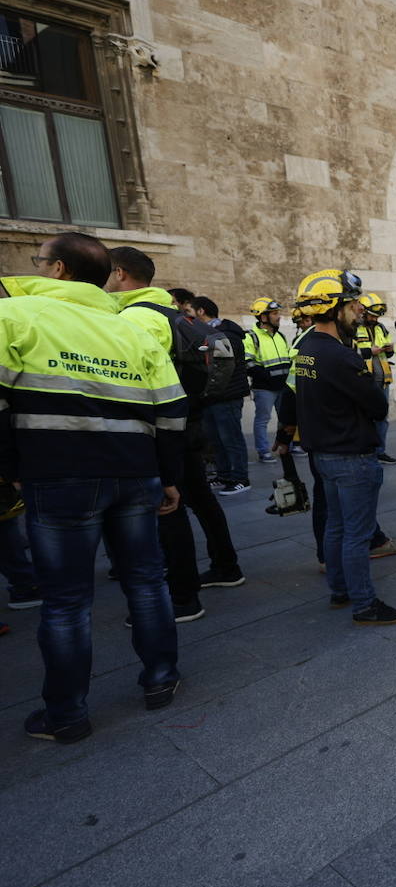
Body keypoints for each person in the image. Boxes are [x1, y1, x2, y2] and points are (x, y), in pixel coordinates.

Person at [6, 232, 188, 742]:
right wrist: (169, 479)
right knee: (147, 582)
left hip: (58, 476)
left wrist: (11, 465)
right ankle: (161, 678)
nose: (36, 268)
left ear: (59, 269)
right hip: (134, 474)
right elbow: (172, 413)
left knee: (66, 602)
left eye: (39, 261)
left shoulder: (15, 318)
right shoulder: (130, 331)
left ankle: (66, 714)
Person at [108, 246, 243, 616]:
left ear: (119, 273)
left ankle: (183, 598)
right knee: (199, 497)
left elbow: (130, 380)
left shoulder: (136, 318)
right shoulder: (170, 313)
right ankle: (226, 566)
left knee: (169, 507)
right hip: (188, 421)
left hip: (160, 428)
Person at [278, 270, 396, 625]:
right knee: (357, 534)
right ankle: (365, 604)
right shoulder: (340, 356)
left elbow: (290, 398)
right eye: (352, 306)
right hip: (351, 456)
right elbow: (378, 406)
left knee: (336, 526)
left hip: (324, 454)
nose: (357, 312)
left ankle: (340, 590)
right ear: (335, 309)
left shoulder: (306, 348)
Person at [191, 295, 253, 495]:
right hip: (211, 397)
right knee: (217, 440)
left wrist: (210, 390)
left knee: (231, 439)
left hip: (226, 397)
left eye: (190, 312)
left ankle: (240, 478)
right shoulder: (208, 333)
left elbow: (223, 367)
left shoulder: (223, 335)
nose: (187, 317)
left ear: (201, 311)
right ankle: (224, 475)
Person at [242, 297, 293, 464]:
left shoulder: (281, 336)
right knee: (263, 420)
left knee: (285, 418)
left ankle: (286, 446)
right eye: (274, 313)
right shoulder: (251, 336)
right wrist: (267, 377)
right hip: (264, 388)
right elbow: (248, 362)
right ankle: (264, 451)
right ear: (263, 317)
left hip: (283, 386)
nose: (279, 316)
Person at [353, 293, 396, 465]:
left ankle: (380, 451)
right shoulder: (354, 329)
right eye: (372, 315)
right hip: (364, 382)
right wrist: (368, 352)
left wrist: (389, 349)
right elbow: (350, 353)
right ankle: (364, 451)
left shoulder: (381, 328)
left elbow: (390, 353)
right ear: (363, 313)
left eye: (377, 316)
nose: (375, 318)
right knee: (363, 418)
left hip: (382, 380)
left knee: (382, 418)